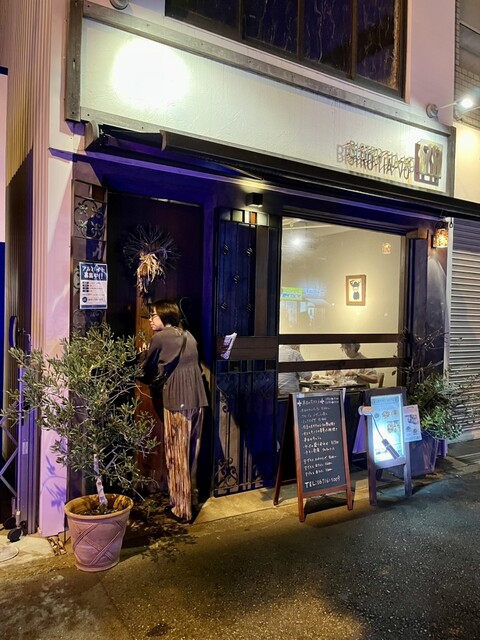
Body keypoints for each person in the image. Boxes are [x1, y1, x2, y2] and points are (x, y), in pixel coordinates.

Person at [138, 300, 208, 525]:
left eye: (154, 315)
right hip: (198, 400)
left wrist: (142, 355)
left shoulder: (161, 338)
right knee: (190, 455)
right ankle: (191, 499)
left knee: (176, 455)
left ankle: (181, 510)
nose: (151, 320)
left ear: (165, 316)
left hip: (178, 401)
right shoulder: (188, 335)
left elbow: (145, 369)